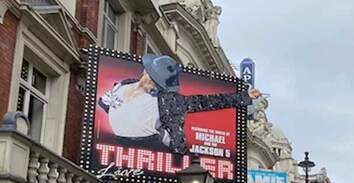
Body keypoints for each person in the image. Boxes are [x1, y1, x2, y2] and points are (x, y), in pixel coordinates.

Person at [99, 54, 261, 153]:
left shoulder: (168, 100)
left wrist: (244, 97)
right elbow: (105, 103)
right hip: (115, 143)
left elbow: (206, 102)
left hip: (144, 147)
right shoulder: (124, 83)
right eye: (154, 79)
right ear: (146, 72)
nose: (155, 85)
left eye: (160, 83)